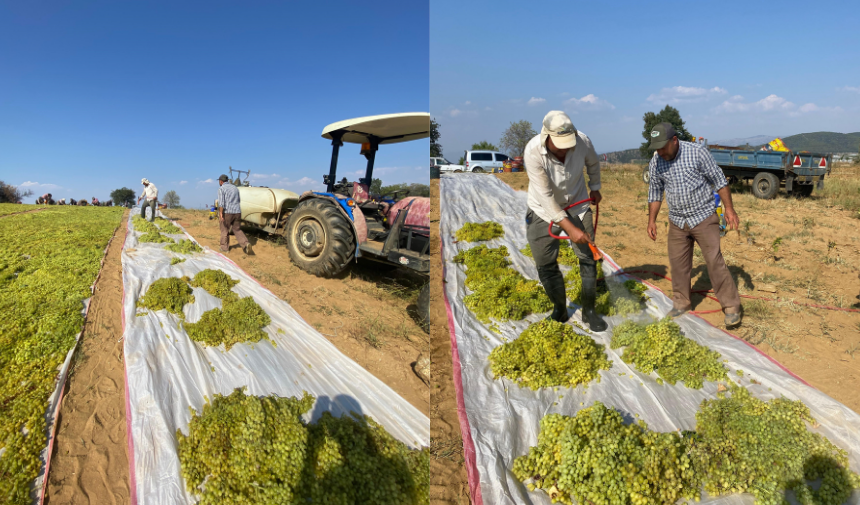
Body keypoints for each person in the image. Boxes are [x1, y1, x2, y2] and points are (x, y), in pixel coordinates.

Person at [646, 122, 742, 327]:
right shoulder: (656, 161)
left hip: (703, 217)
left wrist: (729, 210)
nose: (660, 151)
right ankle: (681, 302)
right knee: (678, 264)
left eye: (663, 146)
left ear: (674, 140)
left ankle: (731, 306)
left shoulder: (697, 153)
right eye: (656, 147)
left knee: (714, 261)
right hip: (678, 220)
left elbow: (720, 180)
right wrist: (651, 220)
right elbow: (655, 192)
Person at [523, 111, 605, 331]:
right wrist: (569, 229)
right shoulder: (533, 152)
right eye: (560, 144)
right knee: (545, 262)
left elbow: (593, 164)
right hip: (543, 210)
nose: (566, 149)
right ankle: (559, 308)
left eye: (569, 144)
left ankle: (589, 310)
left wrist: (595, 188)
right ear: (546, 136)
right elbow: (546, 198)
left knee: (588, 256)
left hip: (578, 203)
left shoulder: (582, 141)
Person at [217, 174, 252, 254]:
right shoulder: (235, 188)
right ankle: (246, 244)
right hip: (237, 212)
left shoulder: (221, 189)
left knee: (224, 230)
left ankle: (224, 248)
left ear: (221, 181)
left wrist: (221, 213)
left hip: (227, 212)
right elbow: (238, 200)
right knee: (237, 229)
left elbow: (221, 203)